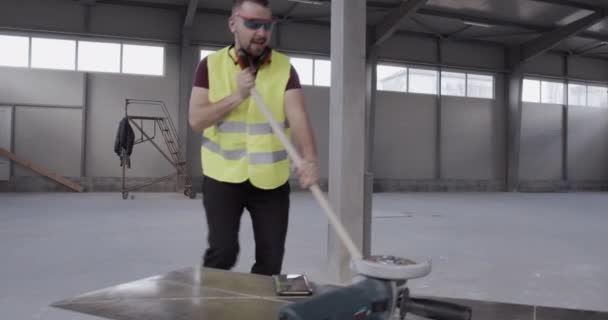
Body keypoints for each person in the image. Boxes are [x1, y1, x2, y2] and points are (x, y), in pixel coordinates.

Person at [188, 0, 320, 276]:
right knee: (223, 252)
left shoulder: (284, 68)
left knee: (271, 260)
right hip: (223, 176)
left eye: (267, 26)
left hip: (271, 180)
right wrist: (237, 96)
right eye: (253, 24)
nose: (261, 33)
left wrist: (309, 158)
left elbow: (298, 116)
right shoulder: (209, 66)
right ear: (233, 23)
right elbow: (197, 119)